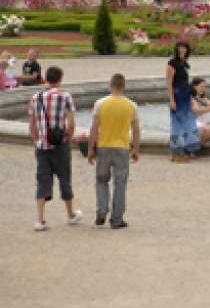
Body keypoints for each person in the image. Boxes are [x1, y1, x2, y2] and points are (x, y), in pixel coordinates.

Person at [28, 66, 82, 230]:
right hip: (60, 144)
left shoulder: (36, 97)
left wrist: (37, 139)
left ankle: (40, 219)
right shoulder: (65, 96)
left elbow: (32, 124)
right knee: (64, 177)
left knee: (42, 180)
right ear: (60, 79)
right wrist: (68, 139)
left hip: (43, 145)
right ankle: (70, 214)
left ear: (46, 78)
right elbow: (71, 123)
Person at [87, 72, 139, 229]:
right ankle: (117, 219)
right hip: (122, 147)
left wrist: (91, 148)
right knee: (120, 183)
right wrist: (136, 149)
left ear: (111, 86)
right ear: (124, 86)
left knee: (101, 180)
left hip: (104, 146)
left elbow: (94, 128)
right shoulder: (132, 105)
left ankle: (102, 209)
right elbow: (136, 129)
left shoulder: (100, 103)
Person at [167, 41, 200, 162]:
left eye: (184, 48)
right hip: (177, 94)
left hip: (185, 94)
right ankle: (176, 151)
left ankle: (188, 149)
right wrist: (172, 100)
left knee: (188, 122)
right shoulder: (172, 63)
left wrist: (190, 98)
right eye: (180, 48)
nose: (182, 50)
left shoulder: (184, 64)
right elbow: (169, 82)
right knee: (177, 123)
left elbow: (185, 81)